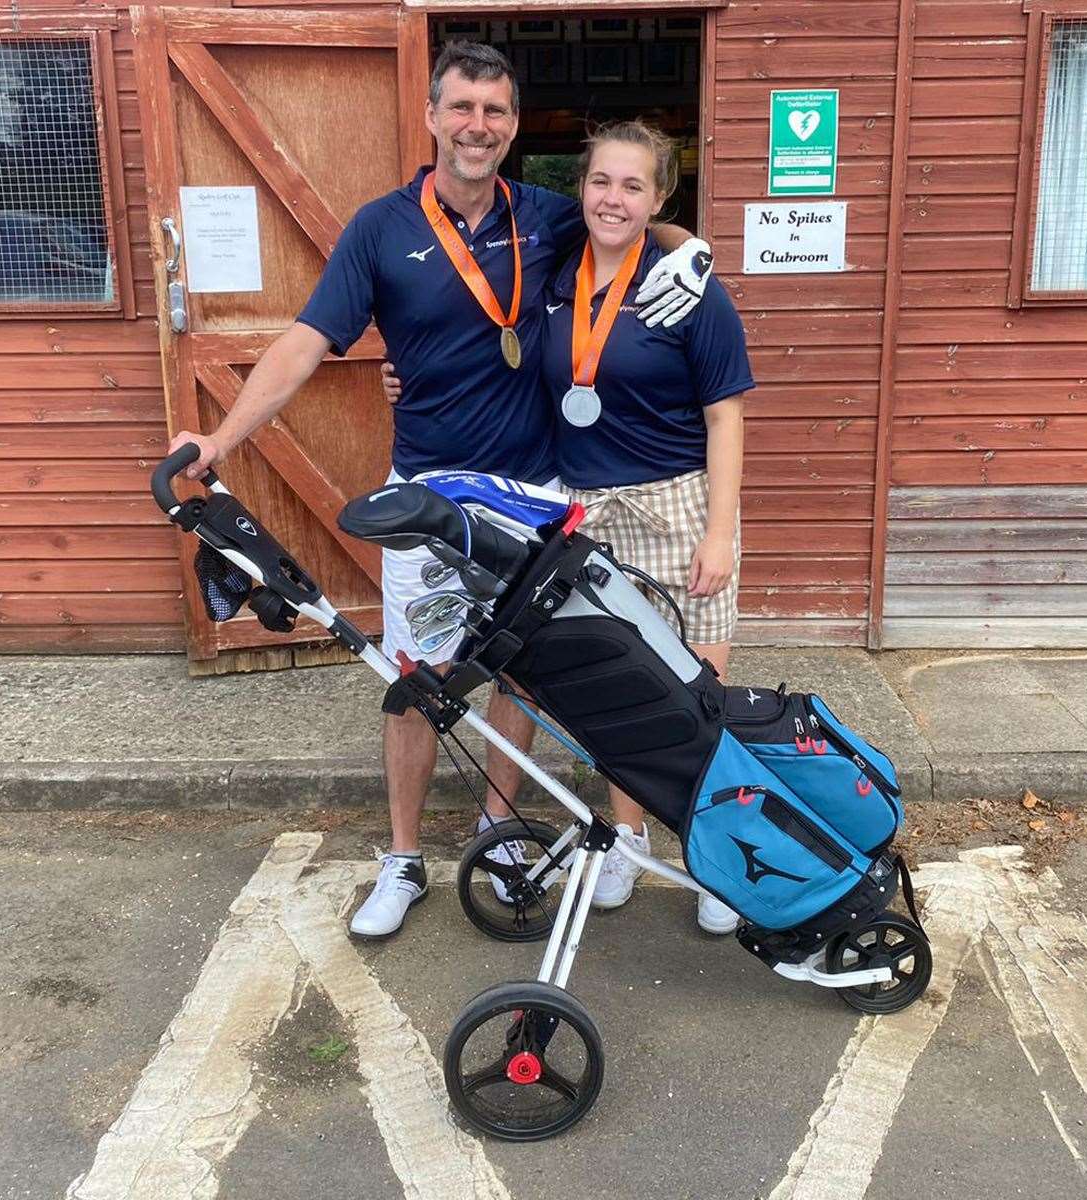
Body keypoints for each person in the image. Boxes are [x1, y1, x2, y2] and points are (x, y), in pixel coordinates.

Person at [165, 43, 716, 939]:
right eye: (462, 108)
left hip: (533, 494)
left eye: (496, 112)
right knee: (416, 677)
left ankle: (498, 831)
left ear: (511, 124)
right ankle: (405, 857)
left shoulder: (545, 214)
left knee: (521, 676)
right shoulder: (381, 229)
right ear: (431, 118)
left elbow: (635, 218)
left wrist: (693, 251)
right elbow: (306, 344)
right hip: (426, 494)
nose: (479, 127)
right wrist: (220, 436)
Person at [382, 119, 752, 933]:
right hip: (585, 509)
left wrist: (719, 534)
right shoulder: (553, 268)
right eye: (600, 182)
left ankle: (718, 861)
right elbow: (480, 337)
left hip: (677, 505)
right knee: (621, 699)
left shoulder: (687, 288)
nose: (612, 198)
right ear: (579, 189)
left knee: (698, 702)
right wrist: (411, 375)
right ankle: (626, 834)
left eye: (632, 186)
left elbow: (726, 418)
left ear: (659, 198)